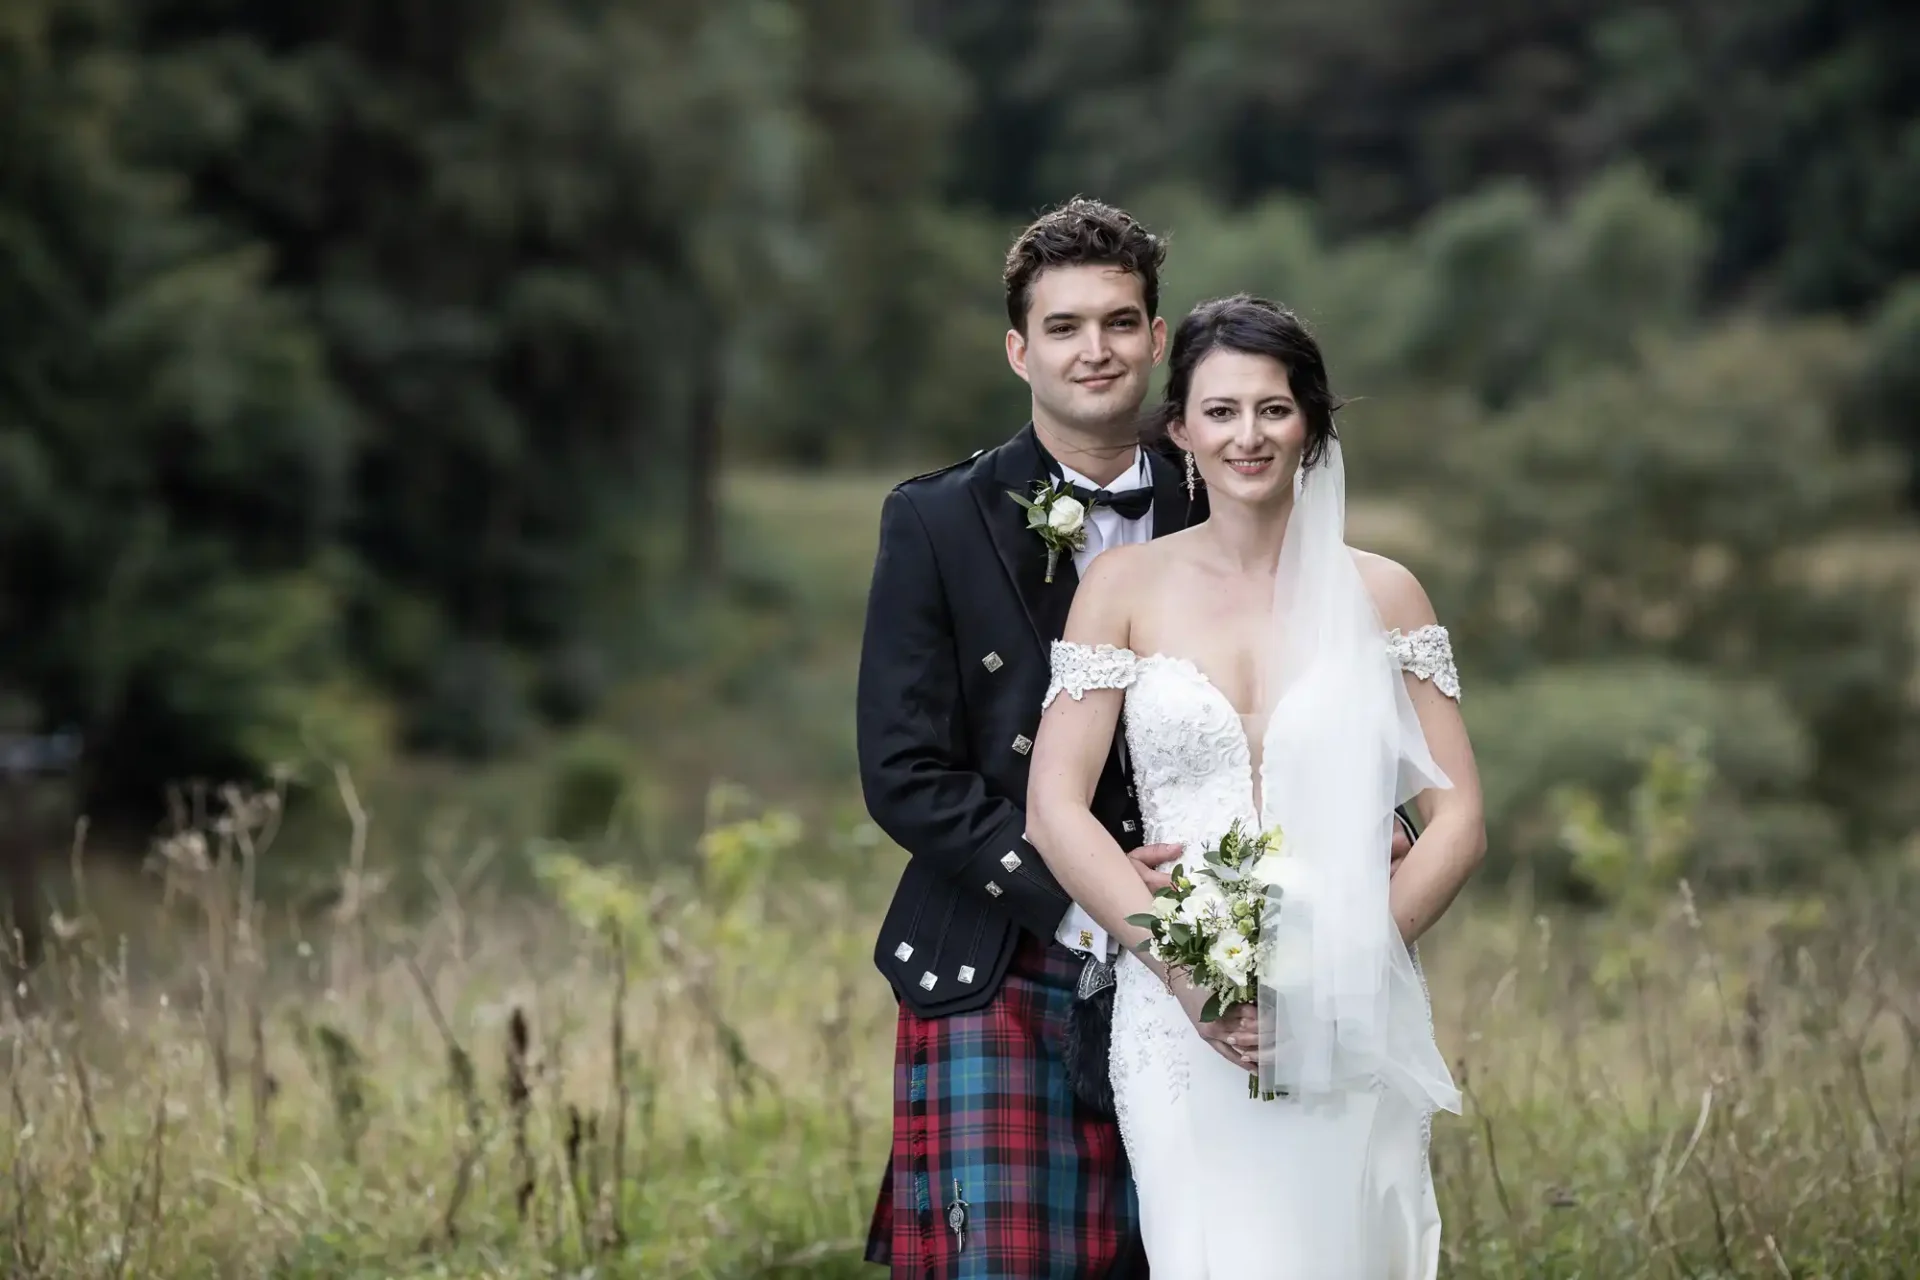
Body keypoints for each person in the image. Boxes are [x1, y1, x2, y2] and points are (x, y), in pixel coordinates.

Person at [856, 199, 1416, 1276]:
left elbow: (1298, 693)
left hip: (1237, 955)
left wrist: (1356, 825)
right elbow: (903, 771)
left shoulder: (1233, 479)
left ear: (1159, 341)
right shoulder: (933, 520)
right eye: (1063, 326)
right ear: (1019, 348)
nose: (1095, 349)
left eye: (1120, 322)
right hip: (1007, 952)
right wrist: (1092, 895)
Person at [1024, 294, 1486, 1278]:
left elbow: (1458, 819)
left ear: (1312, 422)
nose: (1249, 434)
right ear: (1181, 425)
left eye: (1274, 409)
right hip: (1180, 1012)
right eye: (1222, 410)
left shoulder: (1385, 592)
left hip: (1348, 998)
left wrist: (1345, 966)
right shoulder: (1122, 589)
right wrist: (1185, 973)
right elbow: (1055, 807)